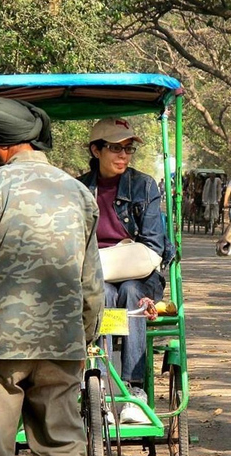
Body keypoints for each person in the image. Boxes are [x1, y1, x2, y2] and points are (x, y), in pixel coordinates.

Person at [0, 96, 104, 456]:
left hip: (0, 350)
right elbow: (90, 283)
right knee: (64, 451)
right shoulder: (79, 193)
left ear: (3, 145)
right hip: (61, 347)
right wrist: (84, 338)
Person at [78, 117, 174, 424]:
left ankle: (134, 392)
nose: (123, 156)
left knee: (131, 291)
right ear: (96, 150)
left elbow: (153, 245)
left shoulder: (144, 185)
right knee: (103, 294)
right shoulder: (79, 190)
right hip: (99, 279)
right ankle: (102, 390)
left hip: (138, 277)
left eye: (128, 149)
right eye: (115, 148)